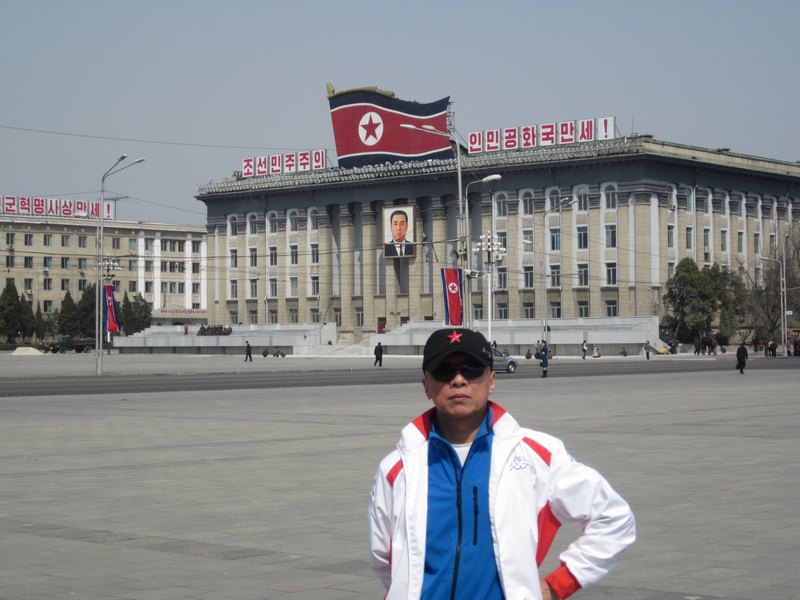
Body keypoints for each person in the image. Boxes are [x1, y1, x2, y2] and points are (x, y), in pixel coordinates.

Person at [368, 328, 635, 599]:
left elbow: (613, 517)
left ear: (491, 380)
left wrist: (557, 585)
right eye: (444, 371)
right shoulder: (397, 468)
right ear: (427, 385)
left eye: (471, 369)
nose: (458, 380)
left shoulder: (538, 456)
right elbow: (383, 558)